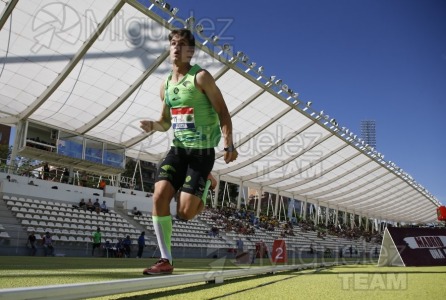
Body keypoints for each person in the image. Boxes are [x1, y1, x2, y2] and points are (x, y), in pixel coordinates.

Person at [140, 29, 238, 275]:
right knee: (159, 194)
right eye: (172, 43)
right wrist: (154, 125)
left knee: (185, 213)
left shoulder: (202, 77)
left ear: (190, 51)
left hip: (202, 152)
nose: (175, 47)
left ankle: (205, 182)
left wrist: (228, 143)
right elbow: (166, 122)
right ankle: (165, 260)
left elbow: (223, 113)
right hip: (178, 149)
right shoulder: (165, 86)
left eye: (181, 44)